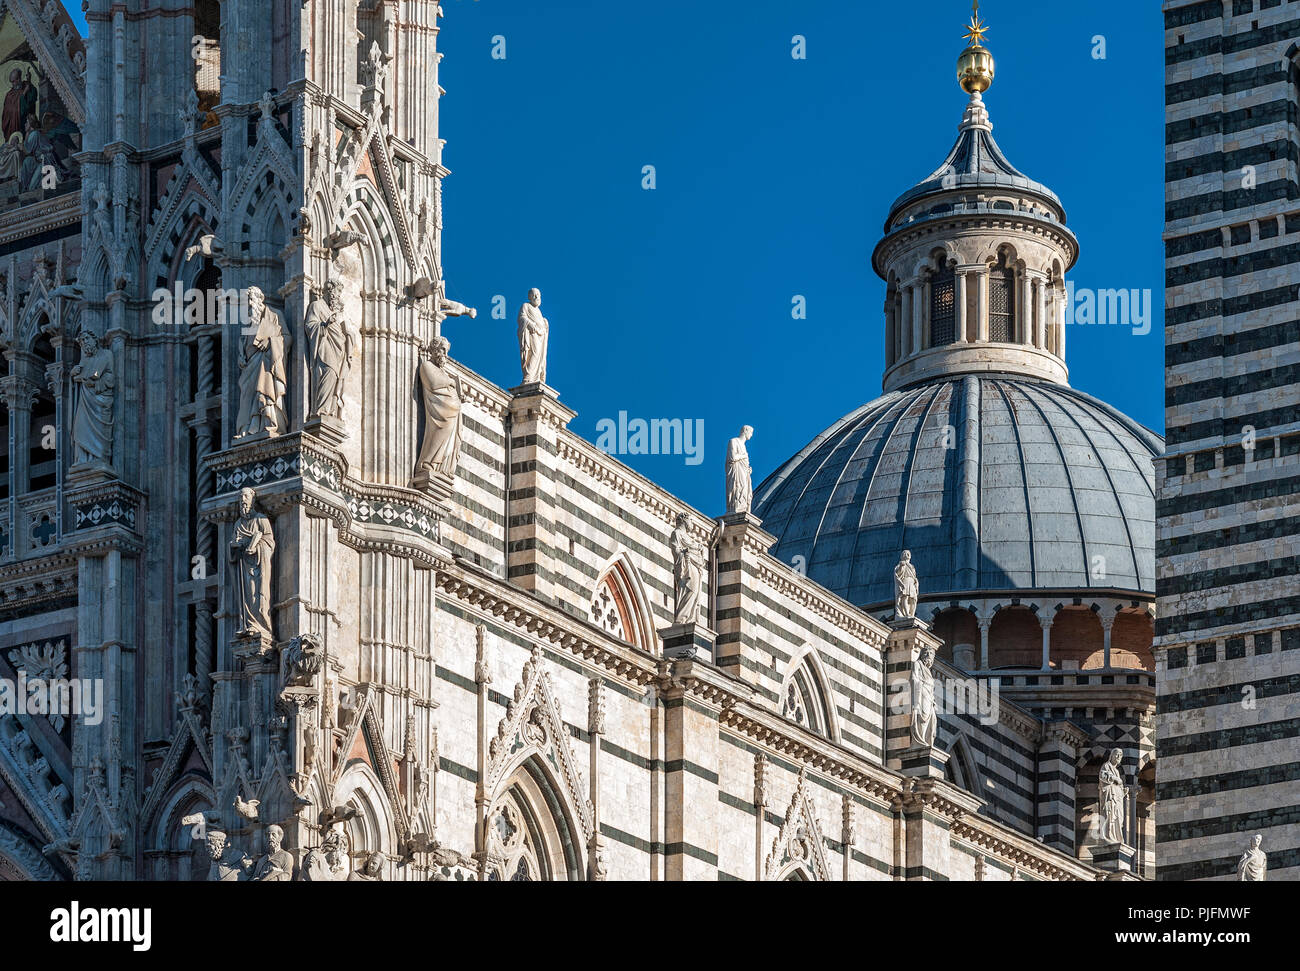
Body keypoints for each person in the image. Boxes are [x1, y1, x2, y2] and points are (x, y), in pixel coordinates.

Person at [413, 337, 463, 485]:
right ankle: (426, 462)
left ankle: (439, 466)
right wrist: (451, 382)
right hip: (439, 413)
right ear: (434, 350)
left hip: (450, 412)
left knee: (449, 437)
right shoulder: (427, 366)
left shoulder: (442, 371)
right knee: (441, 431)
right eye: (442, 350)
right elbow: (434, 384)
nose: (445, 354)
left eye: (446, 351)